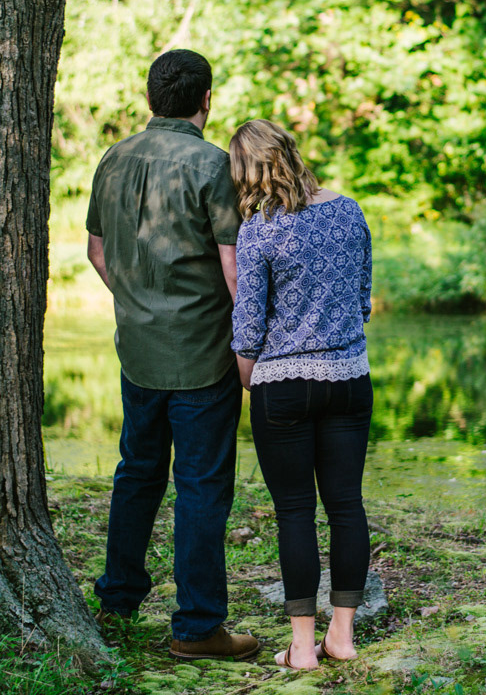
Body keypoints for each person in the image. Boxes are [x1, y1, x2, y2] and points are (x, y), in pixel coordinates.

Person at [86, 49, 259, 662]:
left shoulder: (114, 157)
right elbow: (235, 270)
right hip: (203, 356)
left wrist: (140, 304)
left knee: (137, 473)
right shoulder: (213, 165)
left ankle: (117, 602)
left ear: (151, 98)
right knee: (202, 487)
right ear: (206, 100)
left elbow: (97, 252)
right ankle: (197, 628)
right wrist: (252, 348)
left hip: (137, 350)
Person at [229, 119, 374, 671]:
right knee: (346, 506)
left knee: (295, 512)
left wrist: (251, 379)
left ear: (246, 173)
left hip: (282, 386)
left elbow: (248, 327)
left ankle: (301, 648)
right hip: (349, 379)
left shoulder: (259, 229)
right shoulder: (349, 211)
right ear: (290, 152)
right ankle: (342, 637)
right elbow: (362, 299)